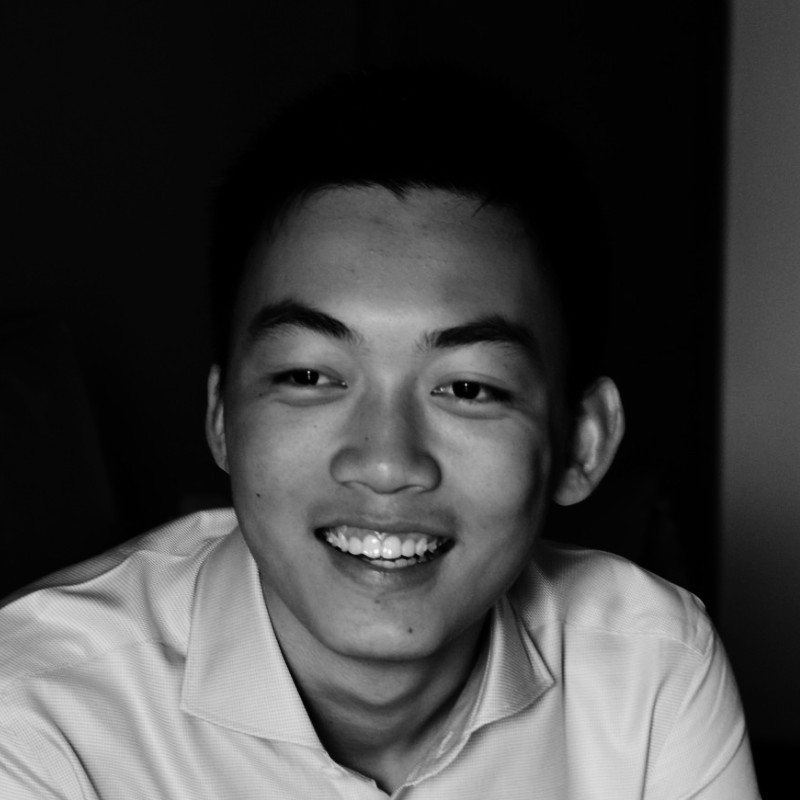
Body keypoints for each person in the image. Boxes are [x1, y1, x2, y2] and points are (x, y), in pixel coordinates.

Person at [0, 65, 759, 798]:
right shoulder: (37, 713)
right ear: (223, 417)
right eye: (310, 376)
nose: (387, 463)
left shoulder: (650, 673)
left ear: (583, 443)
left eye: (468, 388)